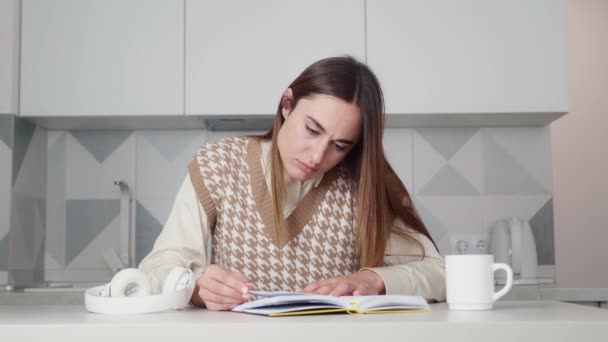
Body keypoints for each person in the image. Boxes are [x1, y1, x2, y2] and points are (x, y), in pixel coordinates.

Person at [138, 56, 446, 311]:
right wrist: (196, 286)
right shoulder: (220, 164)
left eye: (340, 146)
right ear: (287, 104)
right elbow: (158, 266)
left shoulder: (363, 183)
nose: (317, 156)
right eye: (312, 130)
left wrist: (373, 280)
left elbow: (440, 274)